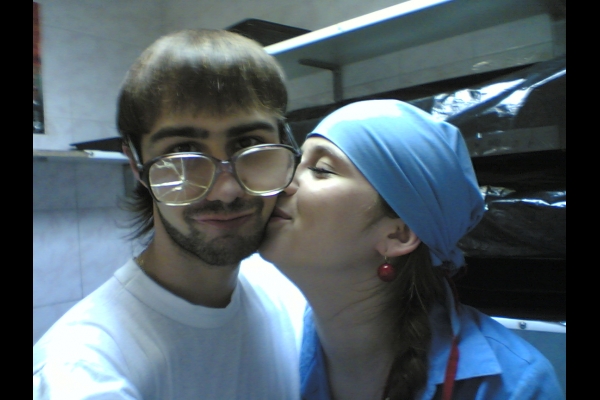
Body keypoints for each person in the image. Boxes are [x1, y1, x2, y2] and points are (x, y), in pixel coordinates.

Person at [33, 29, 306, 399]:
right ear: (136, 163)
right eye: (182, 150)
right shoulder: (83, 370)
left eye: (249, 143)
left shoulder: (286, 292)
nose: (225, 190)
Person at [260, 99, 565, 400]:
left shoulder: (514, 388)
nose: (284, 183)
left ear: (398, 234)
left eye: (321, 169)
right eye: (296, 164)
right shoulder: (267, 340)